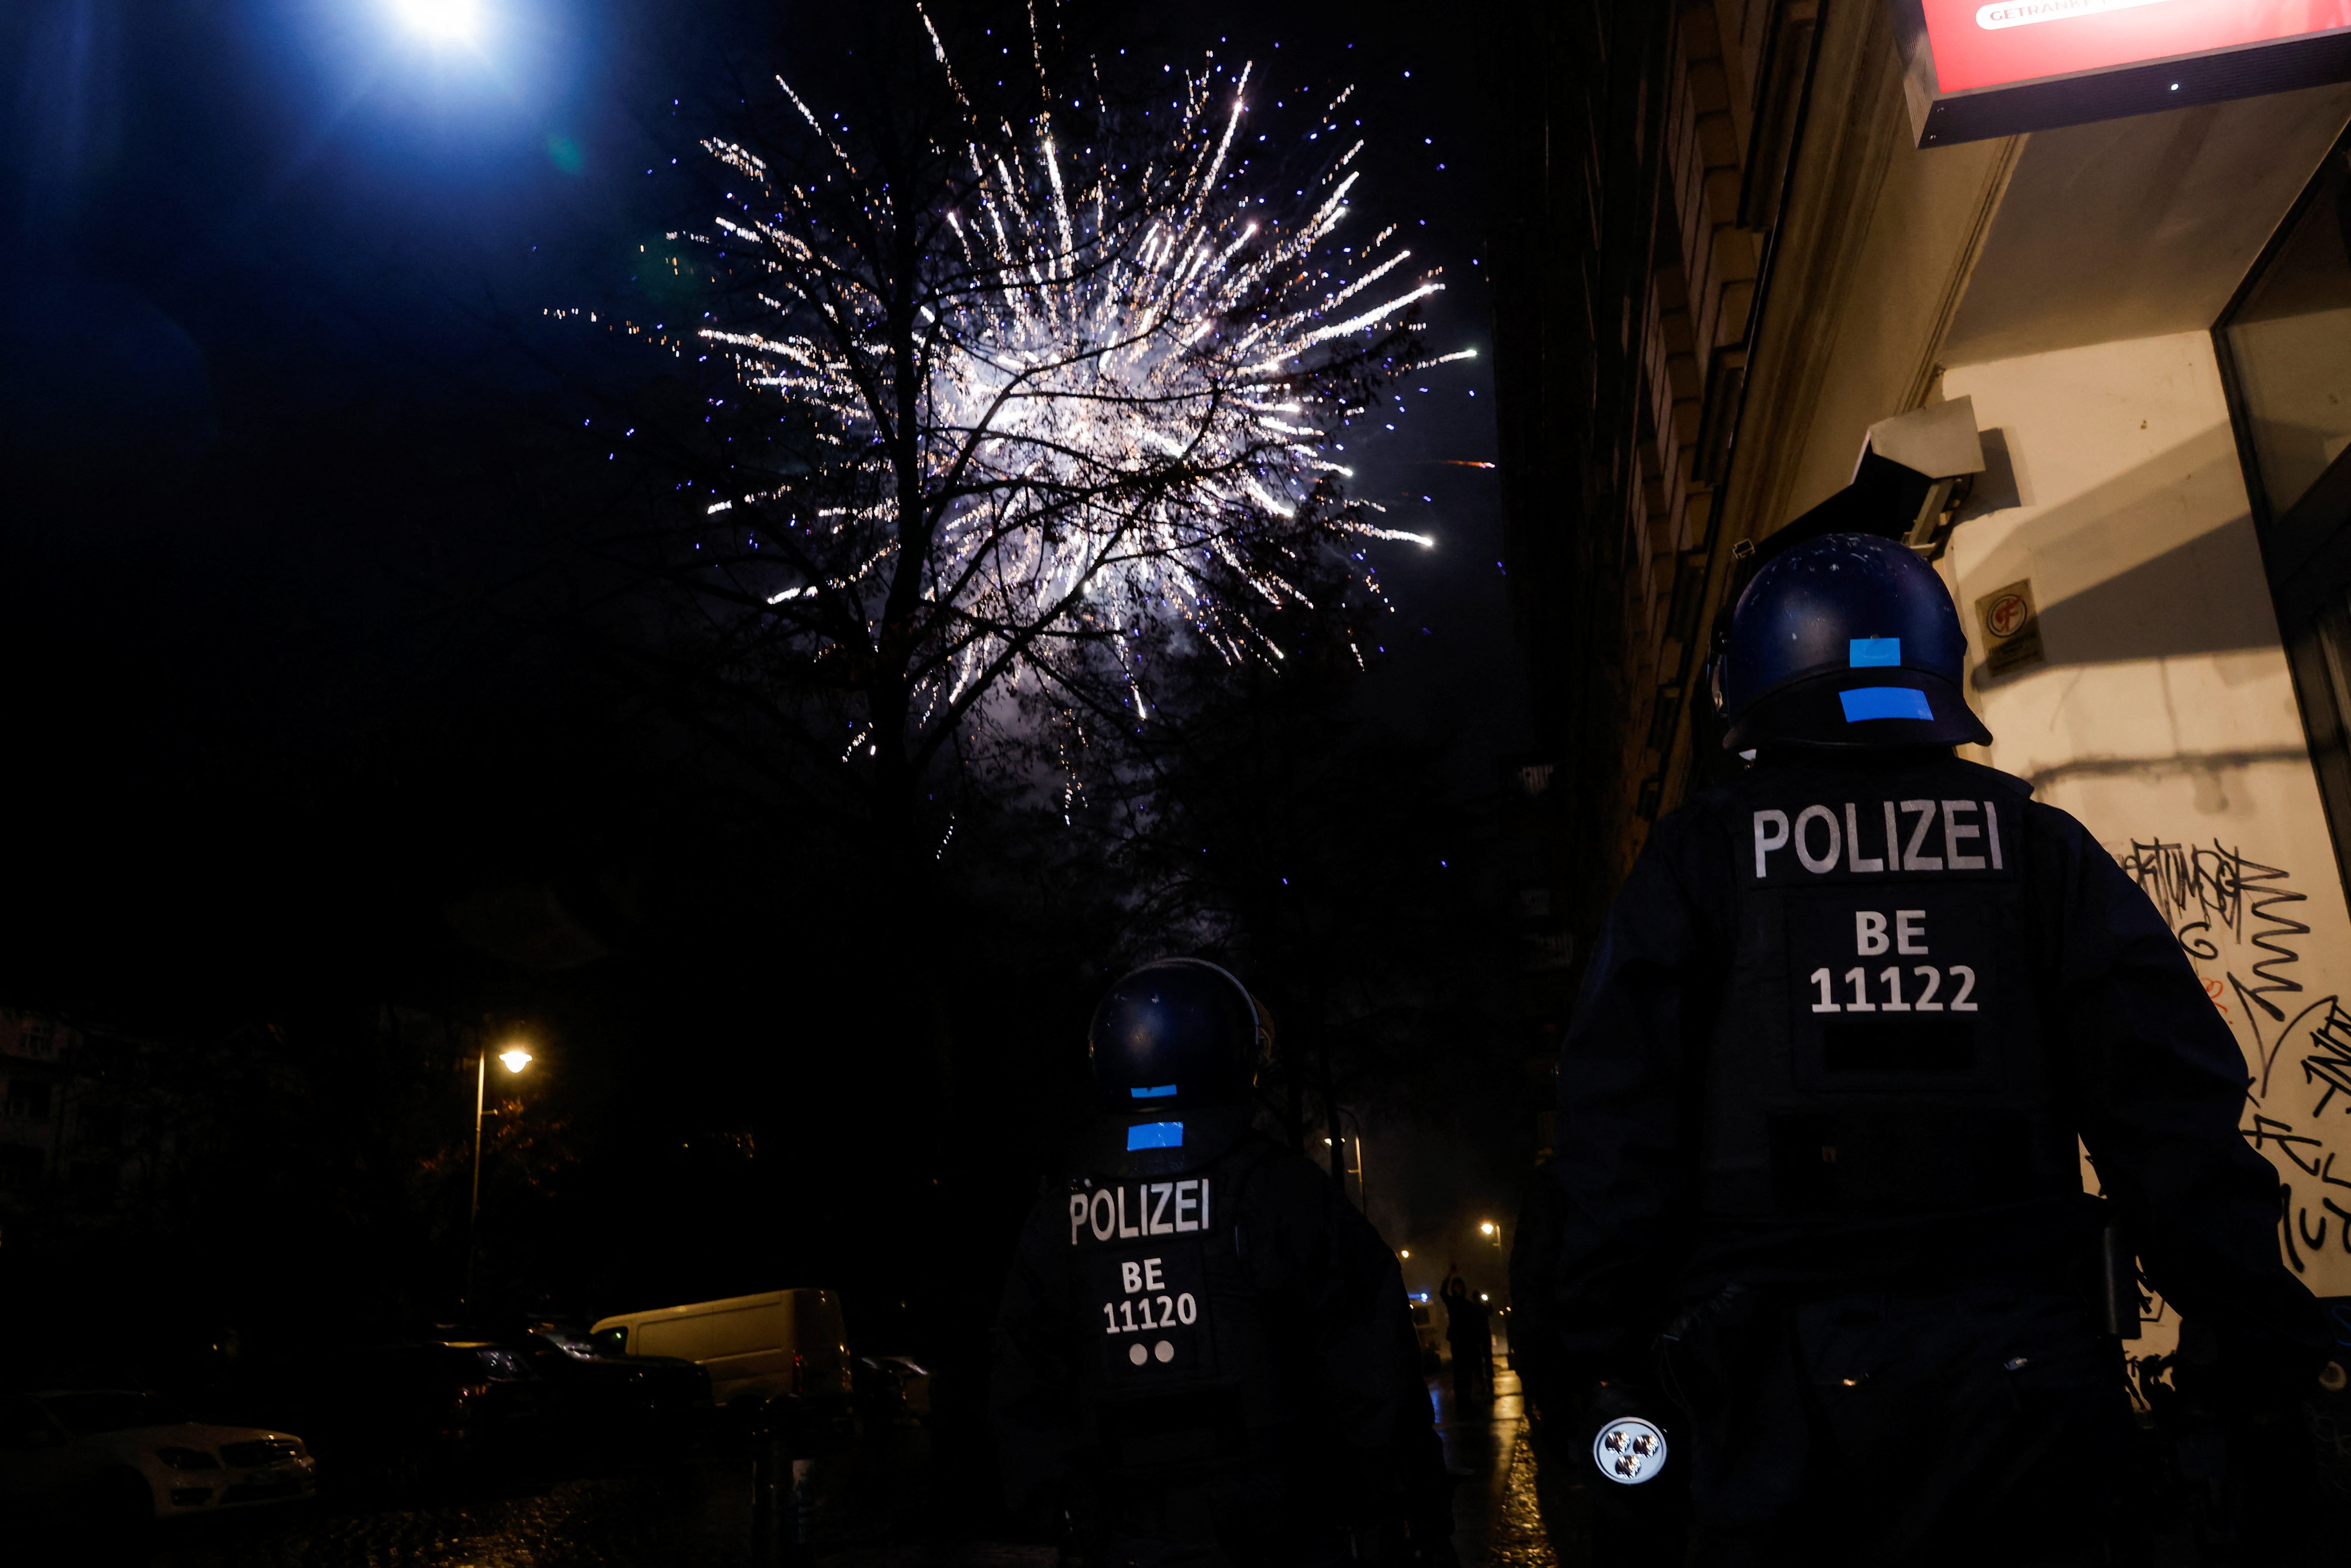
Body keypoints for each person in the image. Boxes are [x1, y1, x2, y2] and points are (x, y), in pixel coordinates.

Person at [1534, 531, 2330, 1564]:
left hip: (1770, 1399)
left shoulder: (1699, 865)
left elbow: (1613, 1142)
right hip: (2023, 1388)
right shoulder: (2036, 850)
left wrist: (1602, 1370)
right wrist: (2252, 1342)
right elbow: (2167, 1115)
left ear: (1744, 678)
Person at [993, 958, 1454, 1568]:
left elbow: (1021, 1397)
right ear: (1236, 1058)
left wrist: (1072, 1516)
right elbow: (1374, 1379)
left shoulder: (1057, 1219)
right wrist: (1407, 1516)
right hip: (1284, 1540)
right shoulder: (1286, 1194)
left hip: (1120, 1544)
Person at [1437, 1274, 1489, 1406]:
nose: (1458, 1289)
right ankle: (1462, 1401)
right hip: (1458, 1342)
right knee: (1460, 1373)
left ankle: (1467, 1400)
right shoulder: (1452, 1302)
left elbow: (1475, 1324)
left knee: (1468, 1373)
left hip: (1468, 1342)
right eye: (1456, 1286)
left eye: (1460, 1286)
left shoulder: (1468, 1305)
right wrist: (1448, 1276)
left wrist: (1478, 1342)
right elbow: (1443, 1293)